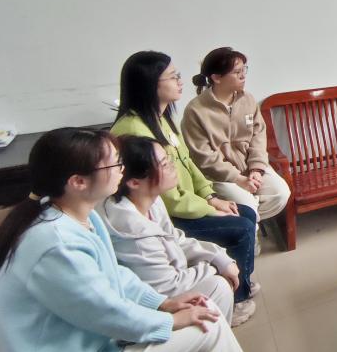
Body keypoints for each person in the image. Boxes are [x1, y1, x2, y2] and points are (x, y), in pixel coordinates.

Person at [0, 128, 268, 352]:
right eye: (114, 163)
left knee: (204, 309)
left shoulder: (74, 215)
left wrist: (162, 303)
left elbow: (114, 275)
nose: (121, 169)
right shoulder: (55, 244)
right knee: (206, 327)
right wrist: (171, 320)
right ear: (78, 182)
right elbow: (106, 313)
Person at [111, 51, 259, 305]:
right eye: (173, 77)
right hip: (169, 215)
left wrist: (211, 198)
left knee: (246, 213)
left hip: (188, 203)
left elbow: (187, 161)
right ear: (149, 84)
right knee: (242, 227)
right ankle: (237, 297)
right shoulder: (133, 131)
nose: (181, 81)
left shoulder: (161, 118)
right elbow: (167, 199)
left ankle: (239, 279)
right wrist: (210, 209)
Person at [99, 135, 256, 327]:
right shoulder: (132, 231)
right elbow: (168, 287)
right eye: (164, 163)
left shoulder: (151, 200)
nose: (173, 166)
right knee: (220, 285)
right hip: (153, 307)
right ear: (134, 182)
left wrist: (219, 257)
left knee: (227, 259)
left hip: (170, 279)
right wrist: (214, 268)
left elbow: (175, 238)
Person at [181, 47, 290, 239]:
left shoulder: (247, 100)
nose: (243, 76)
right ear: (217, 77)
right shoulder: (195, 111)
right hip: (220, 176)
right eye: (237, 72)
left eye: (244, 70)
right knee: (247, 203)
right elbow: (204, 157)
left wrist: (256, 169)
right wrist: (238, 179)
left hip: (250, 168)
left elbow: (258, 136)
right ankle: (249, 234)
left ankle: (247, 225)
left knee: (281, 193)